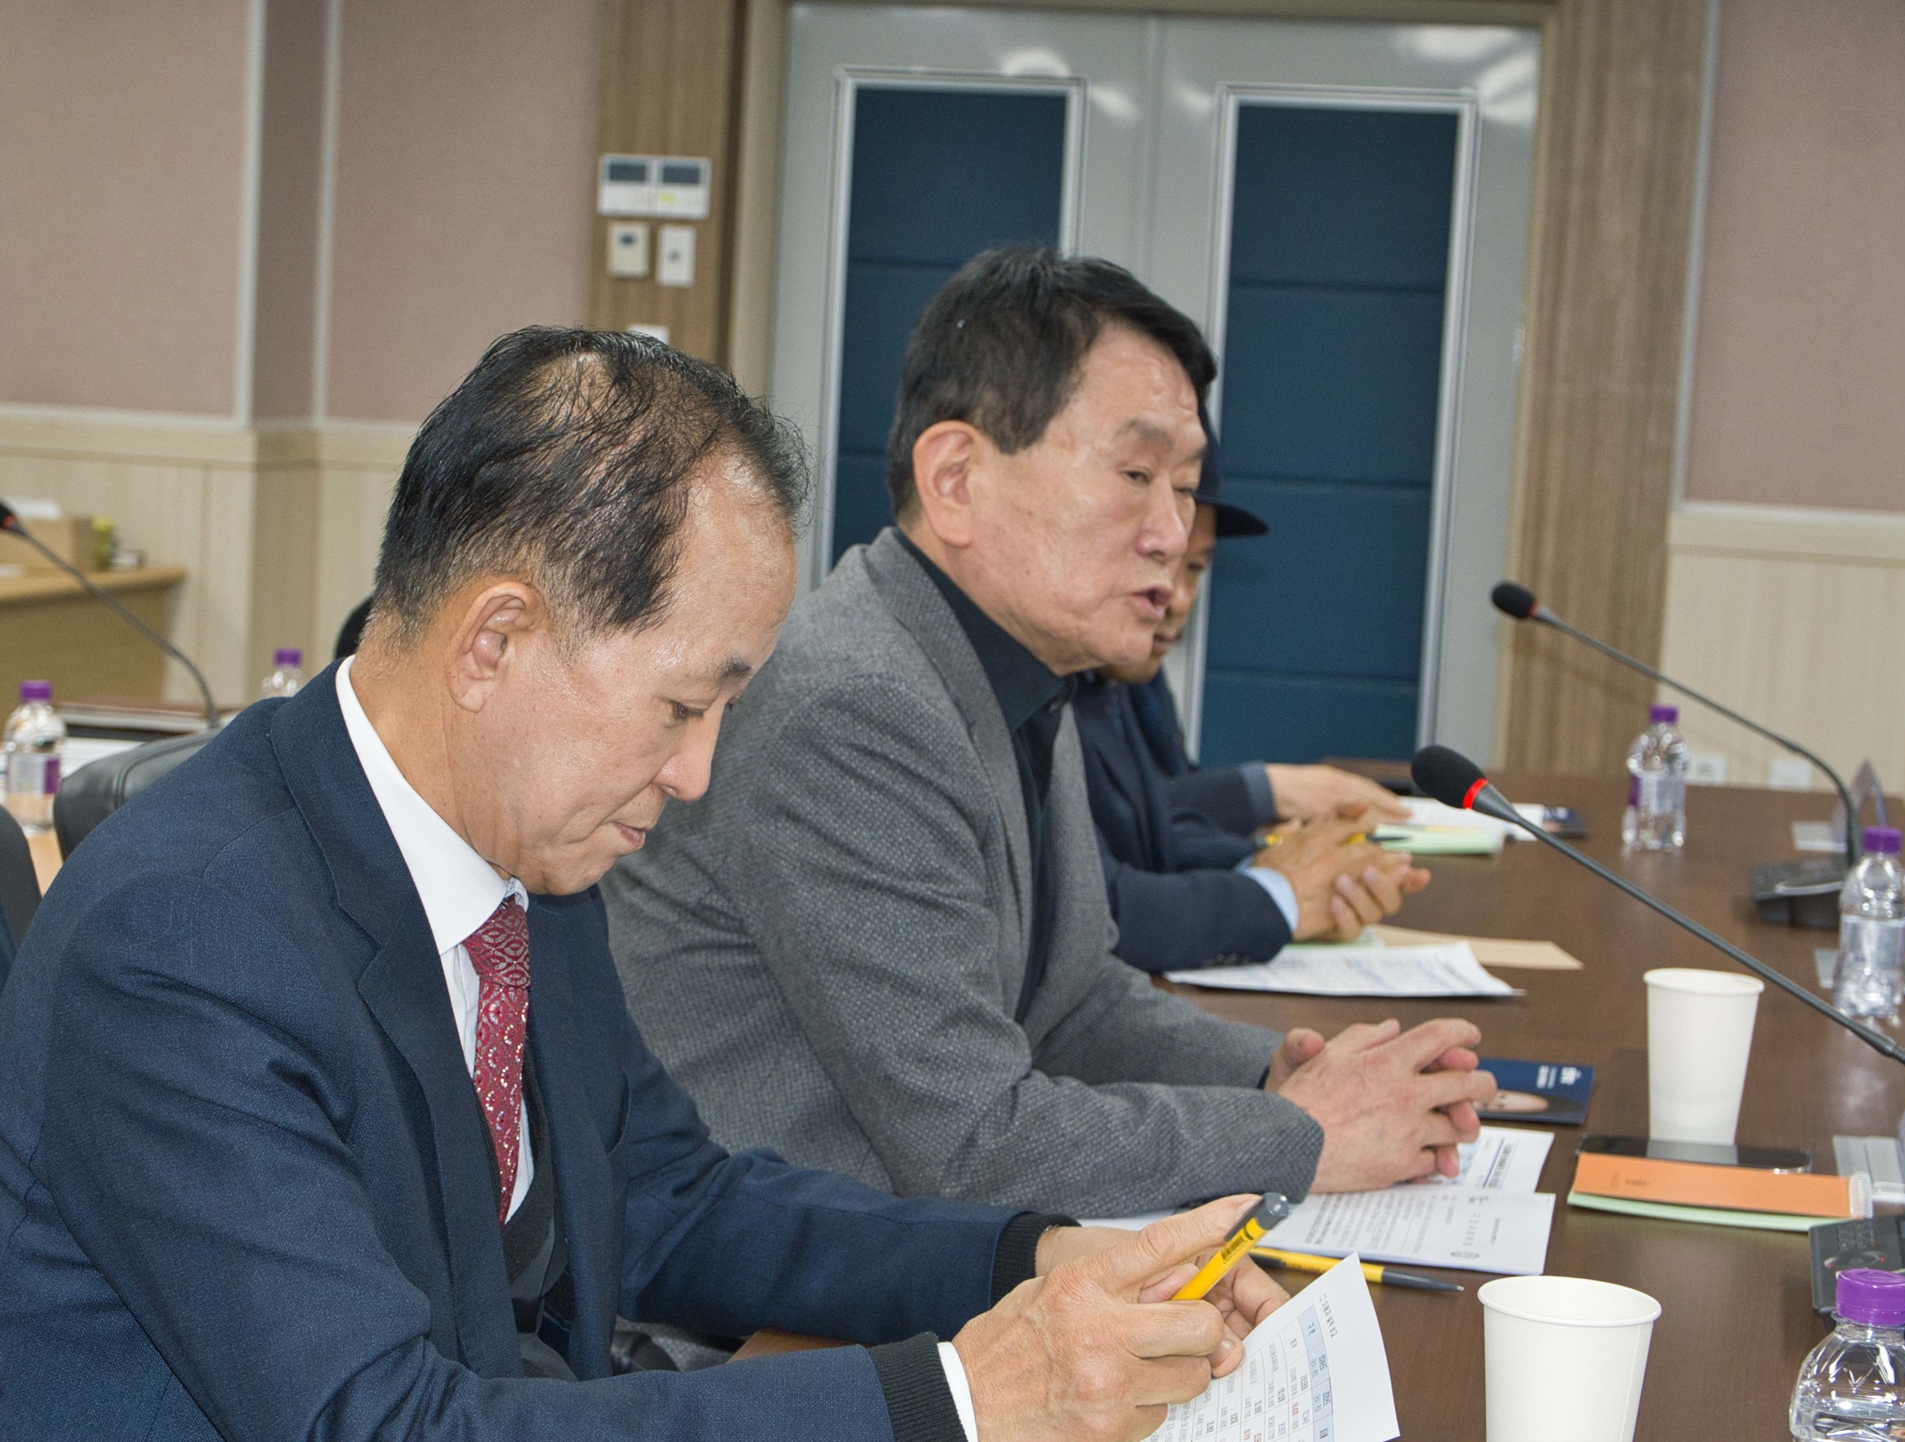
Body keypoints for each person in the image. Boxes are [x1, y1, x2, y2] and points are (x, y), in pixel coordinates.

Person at [0, 328, 1287, 1442]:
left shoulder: (533, 862)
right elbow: (386, 1420)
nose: (696, 772)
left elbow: (673, 1197)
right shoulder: (181, 944)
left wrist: (1035, 1252)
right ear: (495, 640)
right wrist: (960, 1394)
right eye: (681, 705)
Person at [604, 247, 1491, 1220]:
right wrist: (1300, 1131)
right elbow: (973, 1144)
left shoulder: (1005, 663)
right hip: (772, 1279)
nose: (1172, 530)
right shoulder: (852, 704)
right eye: (1136, 472)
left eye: (1184, 483)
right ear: (956, 479)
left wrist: (1274, 1070)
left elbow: (1072, 1003)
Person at [1073, 423, 1418, 974]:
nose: (1174, 597)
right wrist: (1277, 888)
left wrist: (1288, 866)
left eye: (1193, 568)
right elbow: (1101, 911)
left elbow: (1155, 834)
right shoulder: (1061, 674)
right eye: (1160, 561)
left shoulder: (1125, 672)